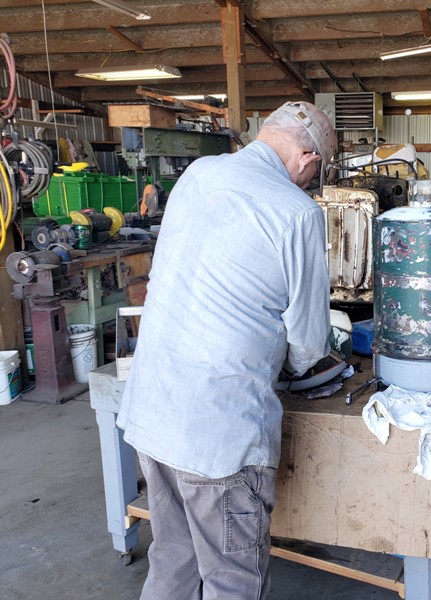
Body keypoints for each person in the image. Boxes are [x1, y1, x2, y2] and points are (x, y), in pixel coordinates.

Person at [116, 100, 336, 599]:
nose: (311, 179)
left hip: (153, 414)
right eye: (318, 169)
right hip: (219, 438)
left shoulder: (198, 174)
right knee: (233, 580)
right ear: (307, 157)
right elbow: (306, 338)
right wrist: (301, 365)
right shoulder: (297, 212)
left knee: (173, 558)